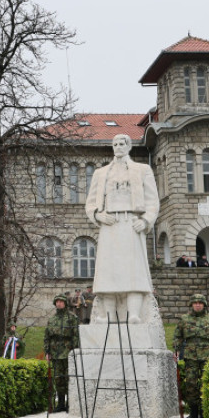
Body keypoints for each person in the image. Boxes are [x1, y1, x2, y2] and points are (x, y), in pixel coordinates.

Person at [84, 134, 160, 324]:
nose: (118, 147)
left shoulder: (142, 170)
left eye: (122, 143)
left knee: (134, 271)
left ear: (129, 146)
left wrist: (146, 220)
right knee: (108, 272)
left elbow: (152, 200)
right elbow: (90, 203)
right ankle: (108, 315)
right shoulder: (101, 173)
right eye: (115, 143)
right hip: (109, 224)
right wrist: (98, 215)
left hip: (131, 223)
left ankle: (134, 314)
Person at [172, 293, 209, 418]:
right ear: (191, 305)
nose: (198, 305)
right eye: (195, 303)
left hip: (208, 357)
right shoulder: (184, 319)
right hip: (191, 357)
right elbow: (178, 336)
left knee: (207, 383)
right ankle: (193, 412)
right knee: (191, 384)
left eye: (200, 303)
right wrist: (176, 349)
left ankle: (205, 412)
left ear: (204, 305)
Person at [44, 293, 79, 412]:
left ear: (65, 303)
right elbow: (47, 337)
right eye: (57, 302)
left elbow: (76, 335)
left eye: (61, 301)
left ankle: (70, 403)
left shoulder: (72, 318)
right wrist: (47, 351)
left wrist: (75, 350)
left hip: (68, 351)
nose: (59, 304)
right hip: (55, 352)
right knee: (58, 379)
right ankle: (61, 403)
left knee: (69, 378)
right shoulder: (52, 319)